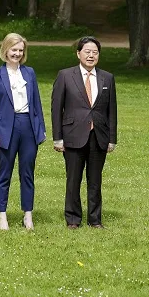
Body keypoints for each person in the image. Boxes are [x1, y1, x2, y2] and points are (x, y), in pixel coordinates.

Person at [51, 36, 118, 229]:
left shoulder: (107, 78)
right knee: (73, 180)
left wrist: (112, 139)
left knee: (95, 181)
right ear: (78, 54)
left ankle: (95, 220)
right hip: (73, 135)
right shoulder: (65, 75)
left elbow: (112, 110)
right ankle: (73, 219)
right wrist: (58, 138)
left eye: (95, 52)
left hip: (99, 136)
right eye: (87, 52)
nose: (91, 55)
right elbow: (56, 108)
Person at [0, 33, 47, 230]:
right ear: (6, 50)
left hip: (28, 125)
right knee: (4, 172)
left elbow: (36, 103)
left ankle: (28, 215)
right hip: (6, 128)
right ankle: (2, 215)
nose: (17, 54)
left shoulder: (29, 73)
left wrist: (41, 129)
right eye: (14, 50)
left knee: (27, 172)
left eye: (21, 50)